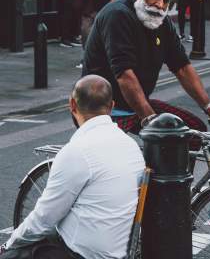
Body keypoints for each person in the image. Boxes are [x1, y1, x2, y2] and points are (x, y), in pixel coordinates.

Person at [0, 75, 145, 259]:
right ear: (112, 106)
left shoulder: (77, 151)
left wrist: (7, 245)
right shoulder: (131, 146)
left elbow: (44, 218)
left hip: (81, 253)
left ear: (72, 105)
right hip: (116, 250)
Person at [82, 0, 210, 150]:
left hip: (134, 105)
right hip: (101, 110)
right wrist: (151, 120)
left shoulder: (162, 23)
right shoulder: (118, 15)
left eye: (166, 0)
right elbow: (125, 75)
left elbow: (182, 67)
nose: (160, 4)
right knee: (122, 157)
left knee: (192, 133)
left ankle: (170, 178)